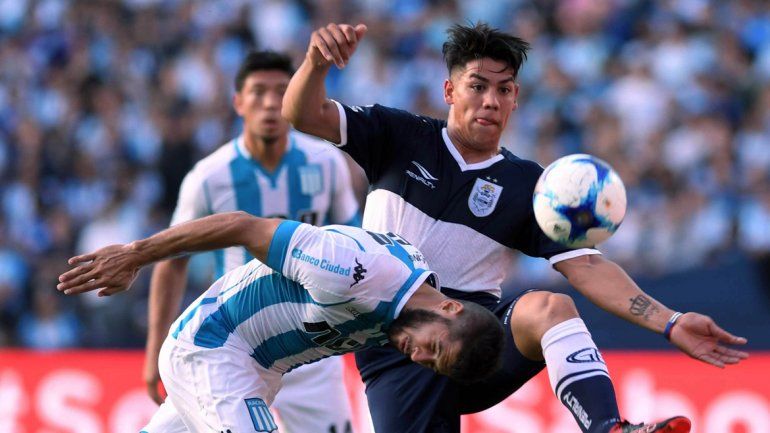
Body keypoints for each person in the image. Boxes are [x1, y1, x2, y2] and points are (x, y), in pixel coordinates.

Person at [282, 22, 749, 433]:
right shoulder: (398, 135)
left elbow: (586, 265)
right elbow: (302, 114)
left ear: (516, 99)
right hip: (402, 347)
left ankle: (609, 428)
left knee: (550, 306)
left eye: (503, 89)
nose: (490, 101)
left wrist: (668, 322)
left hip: (479, 342)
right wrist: (316, 64)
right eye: (477, 85)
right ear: (449, 91)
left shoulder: (530, 184)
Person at [56, 212, 506, 433]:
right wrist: (137, 254)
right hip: (214, 345)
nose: (420, 356)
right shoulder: (356, 270)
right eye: (437, 349)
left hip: (259, 373)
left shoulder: (408, 306)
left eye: (433, 365)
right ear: (450, 308)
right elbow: (244, 227)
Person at [144, 51, 361, 432]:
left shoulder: (326, 163)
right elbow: (172, 260)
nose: (271, 102)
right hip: (234, 344)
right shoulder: (210, 176)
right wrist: (152, 352)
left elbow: (355, 242)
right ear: (238, 102)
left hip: (313, 342)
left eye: (282, 91)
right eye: (258, 92)